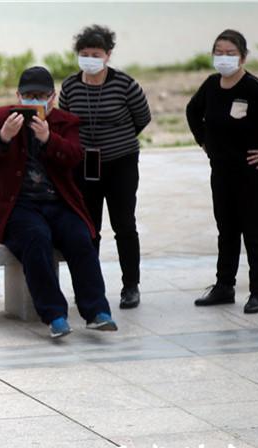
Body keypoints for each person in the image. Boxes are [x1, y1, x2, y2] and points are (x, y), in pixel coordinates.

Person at [0, 66, 118, 338]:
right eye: (29, 95)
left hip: (58, 202)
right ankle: (54, 315)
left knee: (80, 237)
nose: (34, 101)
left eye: (41, 96)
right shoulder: (0, 117)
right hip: (17, 205)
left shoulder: (66, 122)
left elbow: (74, 157)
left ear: (52, 97)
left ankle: (97, 311)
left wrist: (49, 139)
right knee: (36, 239)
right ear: (18, 96)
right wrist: (3, 136)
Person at [59, 24, 151, 309]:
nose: (90, 59)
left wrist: (116, 140)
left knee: (124, 224)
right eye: (85, 54)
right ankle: (90, 288)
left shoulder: (125, 84)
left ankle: (131, 286)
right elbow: (64, 122)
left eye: (96, 54)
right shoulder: (70, 86)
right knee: (88, 228)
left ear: (108, 55)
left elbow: (142, 117)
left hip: (121, 162)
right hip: (84, 165)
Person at [186, 29, 258, 314]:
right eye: (219, 52)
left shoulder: (253, 87)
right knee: (227, 231)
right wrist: (204, 141)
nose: (224, 58)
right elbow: (192, 111)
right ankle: (224, 286)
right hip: (221, 172)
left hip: (251, 173)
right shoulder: (211, 85)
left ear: (243, 57)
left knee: (254, 232)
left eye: (230, 53)